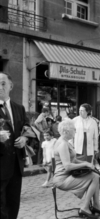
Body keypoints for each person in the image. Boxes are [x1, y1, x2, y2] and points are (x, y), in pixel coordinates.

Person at [52, 119, 100, 219]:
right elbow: (67, 166)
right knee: (94, 176)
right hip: (62, 179)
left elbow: (74, 160)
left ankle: (96, 206)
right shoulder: (62, 144)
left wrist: (87, 163)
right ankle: (85, 208)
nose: (75, 131)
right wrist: (85, 164)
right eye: (74, 129)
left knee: (95, 175)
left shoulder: (65, 142)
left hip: (67, 175)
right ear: (67, 131)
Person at [0, 72, 36, 219]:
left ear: (11, 86)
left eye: (3, 83)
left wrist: (24, 139)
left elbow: (28, 128)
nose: (0, 87)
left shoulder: (19, 108)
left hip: (16, 165)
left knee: (13, 203)